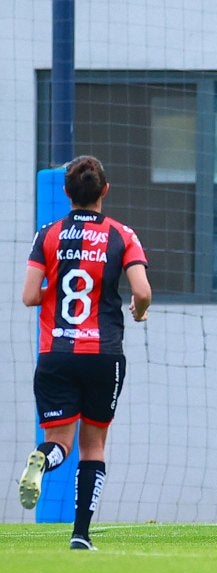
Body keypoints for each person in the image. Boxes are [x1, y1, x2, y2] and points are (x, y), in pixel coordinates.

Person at [18, 155, 152, 550]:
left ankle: (43, 459)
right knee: (93, 447)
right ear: (104, 191)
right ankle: (81, 534)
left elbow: (29, 296)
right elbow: (142, 292)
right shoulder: (122, 235)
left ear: (66, 193)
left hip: (55, 352)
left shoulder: (48, 234)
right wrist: (139, 312)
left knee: (59, 442)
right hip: (103, 354)